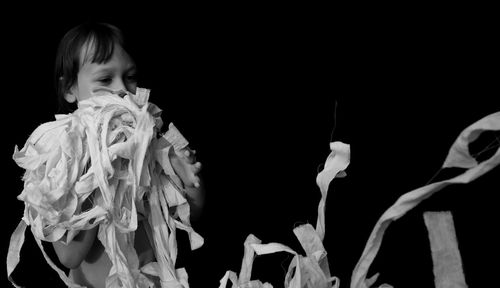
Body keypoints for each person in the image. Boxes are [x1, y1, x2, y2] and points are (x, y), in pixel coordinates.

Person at [50, 21, 204, 288]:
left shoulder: (151, 143)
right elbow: (70, 256)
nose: (122, 89)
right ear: (69, 89)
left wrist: (186, 173)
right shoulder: (62, 160)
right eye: (105, 79)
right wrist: (102, 172)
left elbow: (193, 214)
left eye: (130, 77)